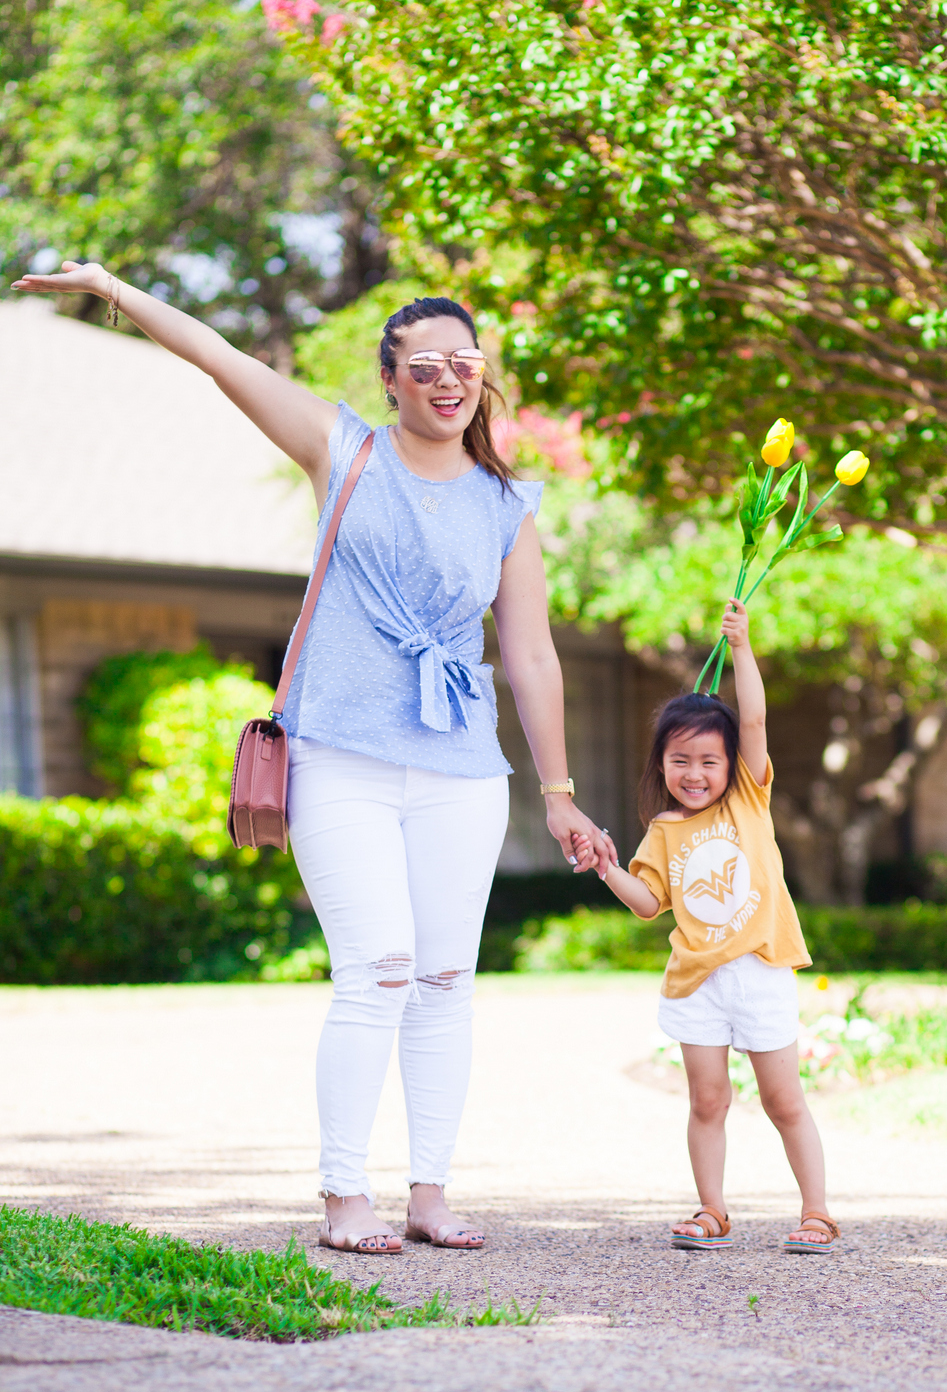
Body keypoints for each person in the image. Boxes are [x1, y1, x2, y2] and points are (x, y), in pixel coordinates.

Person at [12, 261, 615, 1254]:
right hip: (343, 759)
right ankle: (345, 1195)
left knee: (444, 979)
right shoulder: (343, 449)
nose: (447, 377)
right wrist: (115, 291)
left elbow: (532, 650)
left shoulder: (506, 503)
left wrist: (556, 790)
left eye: (464, 360)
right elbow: (219, 358)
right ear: (389, 378)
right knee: (376, 966)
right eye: (424, 363)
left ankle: (429, 1191)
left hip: (462, 771)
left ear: (482, 375)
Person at [598, 598, 838, 1252]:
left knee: (784, 1100)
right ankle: (712, 1210)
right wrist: (605, 866)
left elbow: (753, 716)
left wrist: (742, 648)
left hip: (758, 973)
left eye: (709, 760)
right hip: (698, 984)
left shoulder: (749, 800)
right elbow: (648, 903)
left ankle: (816, 1212)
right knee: (708, 1102)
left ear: (731, 764)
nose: (695, 773)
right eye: (681, 761)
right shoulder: (664, 831)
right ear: (662, 765)